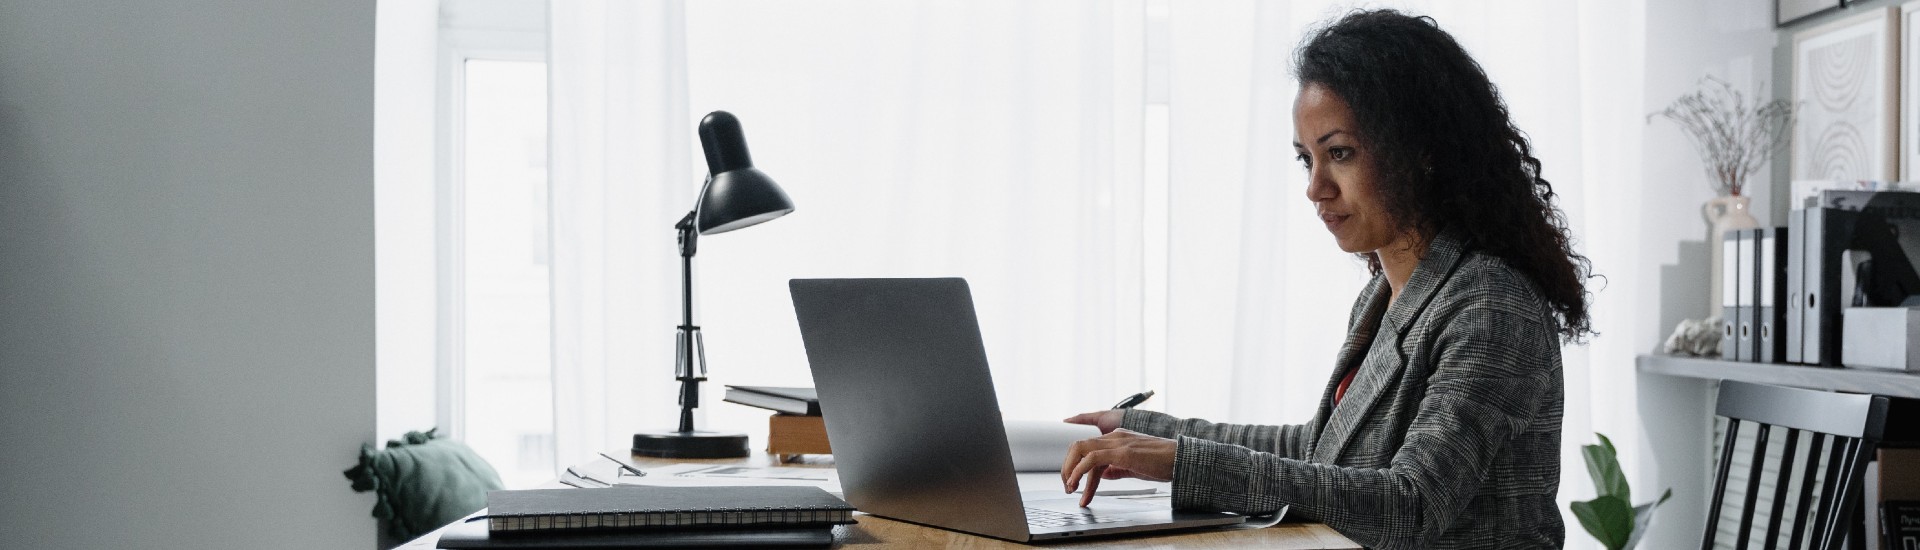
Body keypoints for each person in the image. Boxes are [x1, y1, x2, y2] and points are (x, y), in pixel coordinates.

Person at [1060, 9, 1592, 549]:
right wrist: (1146, 431)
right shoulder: (1385, 294)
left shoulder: (1490, 307)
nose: (1316, 188)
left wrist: (1187, 463)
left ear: (1422, 154)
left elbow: (1411, 503)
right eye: (1306, 158)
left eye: (1339, 154)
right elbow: (1321, 448)